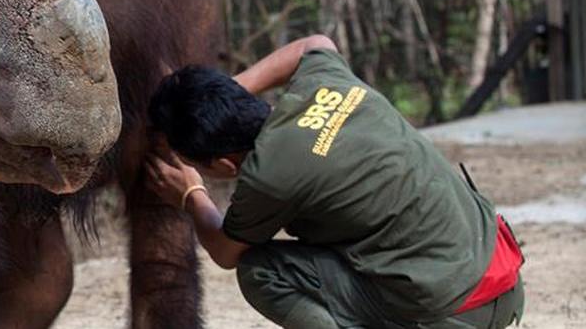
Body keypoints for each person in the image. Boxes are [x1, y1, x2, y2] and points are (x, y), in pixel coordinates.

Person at [145, 35, 525, 329]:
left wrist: (191, 193)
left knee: (261, 271)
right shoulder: (327, 84)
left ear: (225, 165)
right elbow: (315, 43)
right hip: (503, 282)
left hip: (456, 313)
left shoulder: (268, 176)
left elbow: (226, 253)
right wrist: (224, 96)